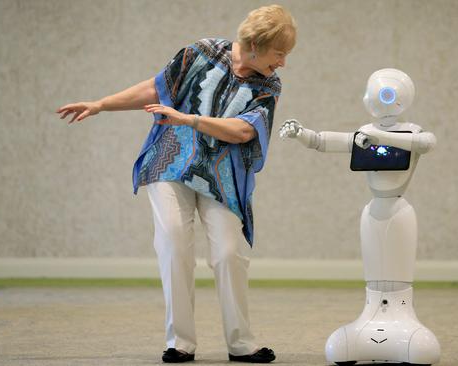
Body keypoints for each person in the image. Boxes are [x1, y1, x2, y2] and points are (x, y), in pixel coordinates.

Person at [56, 5, 296, 364]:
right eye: (280, 54)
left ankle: (241, 343)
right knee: (173, 243)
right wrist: (102, 104)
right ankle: (180, 343)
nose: (283, 63)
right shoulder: (199, 53)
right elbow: (157, 88)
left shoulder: (268, 84)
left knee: (229, 253)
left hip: (221, 175)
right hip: (169, 161)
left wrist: (190, 119)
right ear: (256, 45)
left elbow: (245, 130)